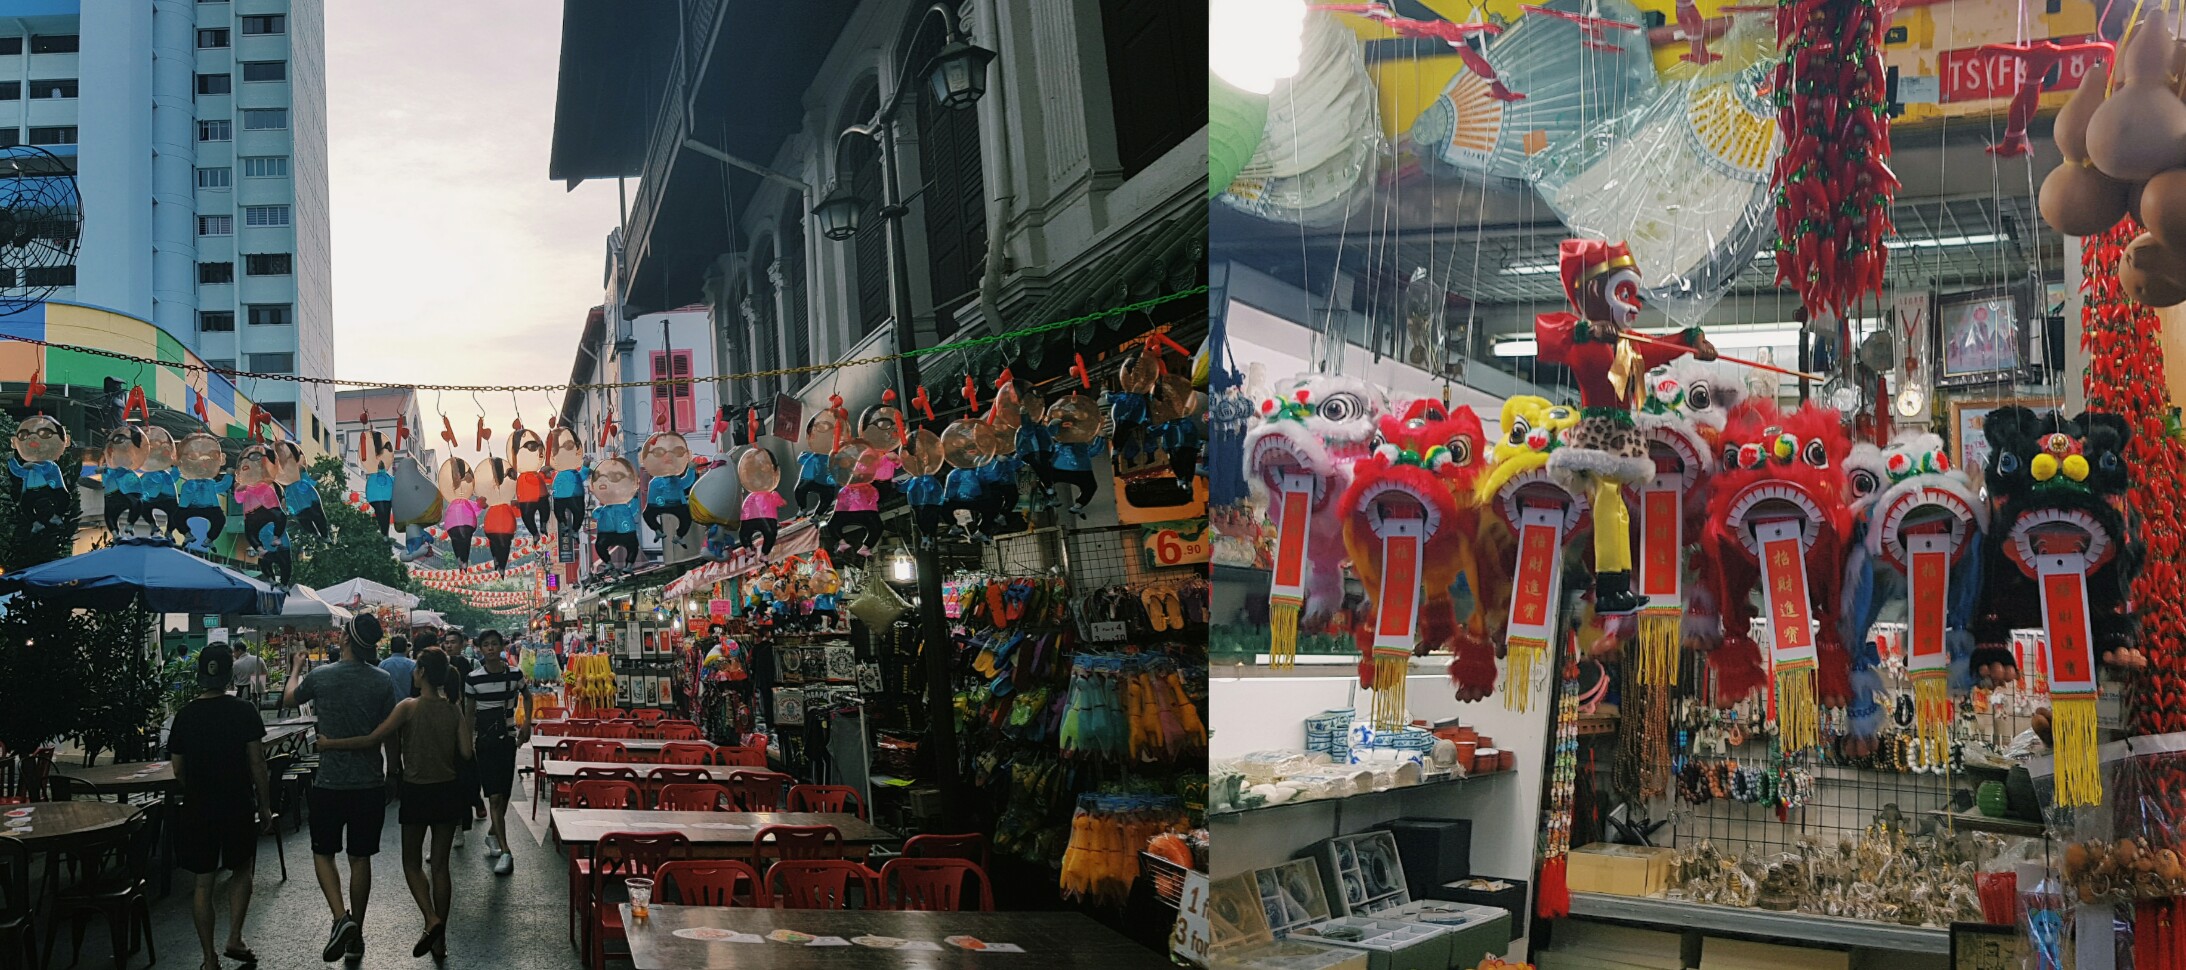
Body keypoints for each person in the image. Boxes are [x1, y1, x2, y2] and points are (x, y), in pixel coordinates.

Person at [317, 648, 471, 961]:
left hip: (416, 792)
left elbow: (373, 739)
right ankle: (439, 943)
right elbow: (467, 753)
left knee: (412, 863)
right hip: (447, 792)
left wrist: (330, 744)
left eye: (417, 667)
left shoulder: (408, 708)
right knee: (441, 867)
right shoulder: (454, 710)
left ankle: (430, 918)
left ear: (423, 672)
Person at [283, 614, 397, 962]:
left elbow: (289, 699)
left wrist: (296, 668)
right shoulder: (383, 680)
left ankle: (339, 918)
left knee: (323, 852)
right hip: (369, 782)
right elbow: (390, 731)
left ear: (346, 640)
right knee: (360, 858)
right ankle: (355, 934)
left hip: (330, 782)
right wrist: (394, 771)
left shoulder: (320, 677)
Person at [169, 643, 276, 970]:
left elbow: (177, 768)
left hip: (198, 806)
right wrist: (266, 806)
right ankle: (235, 938)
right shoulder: (244, 711)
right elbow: (257, 762)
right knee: (241, 869)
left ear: (200, 675)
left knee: (203, 882)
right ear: (230, 675)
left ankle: (208, 959)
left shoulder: (185, 716)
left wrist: (196, 789)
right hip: (236, 804)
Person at [463, 629, 530, 875]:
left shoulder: (514, 673)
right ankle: (505, 851)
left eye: (494, 644)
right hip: (484, 743)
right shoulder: (473, 678)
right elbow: (469, 712)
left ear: (501, 646)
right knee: (493, 796)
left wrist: (527, 724)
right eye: (486, 645)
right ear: (480, 648)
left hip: (508, 741)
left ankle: (493, 833)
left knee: (504, 794)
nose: (490, 648)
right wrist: (467, 741)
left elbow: (527, 696)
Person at [380, 636, 417, 705]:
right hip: (409, 705)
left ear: (391, 648)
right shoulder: (412, 665)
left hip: (389, 706)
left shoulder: (383, 664)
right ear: (406, 648)